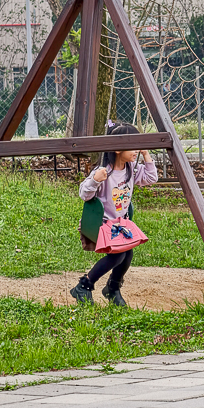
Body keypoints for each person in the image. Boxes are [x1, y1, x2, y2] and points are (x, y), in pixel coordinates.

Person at [71, 123, 158, 306]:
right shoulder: (104, 172)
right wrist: (95, 181)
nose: (137, 149)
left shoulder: (131, 169)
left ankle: (112, 287)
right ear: (118, 148)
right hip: (102, 224)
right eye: (133, 145)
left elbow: (151, 178)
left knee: (128, 254)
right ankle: (84, 285)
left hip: (120, 224)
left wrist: (146, 155)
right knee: (117, 256)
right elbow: (84, 194)